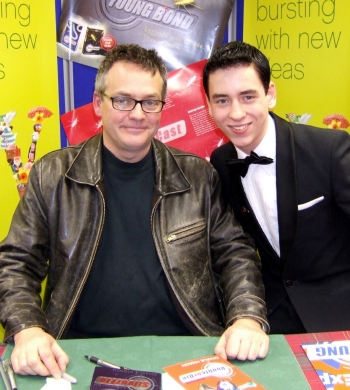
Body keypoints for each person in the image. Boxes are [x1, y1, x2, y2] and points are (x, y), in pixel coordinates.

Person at [0, 44, 269, 379]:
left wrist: (246, 318)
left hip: (188, 350)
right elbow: (15, 262)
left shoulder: (197, 176)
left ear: (161, 106)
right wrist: (27, 329)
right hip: (76, 355)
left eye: (150, 102)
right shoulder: (52, 175)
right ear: (99, 103)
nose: (138, 114)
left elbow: (235, 254)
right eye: (123, 100)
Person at [205, 40, 350, 335]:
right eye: (222, 100)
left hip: (339, 314)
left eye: (247, 97)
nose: (235, 113)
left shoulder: (329, 149)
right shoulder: (221, 162)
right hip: (269, 318)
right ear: (208, 105)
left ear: (270, 94)